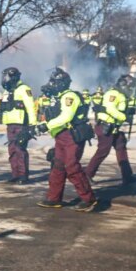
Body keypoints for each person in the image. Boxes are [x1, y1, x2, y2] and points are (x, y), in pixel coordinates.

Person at [35, 68, 97, 211]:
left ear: (62, 83)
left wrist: (45, 126)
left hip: (72, 136)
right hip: (61, 136)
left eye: (54, 82)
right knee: (58, 166)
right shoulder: (58, 97)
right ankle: (54, 198)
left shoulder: (70, 97)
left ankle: (89, 199)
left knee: (71, 166)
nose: (51, 84)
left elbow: (66, 117)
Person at [84, 74, 136, 184]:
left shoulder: (121, 95)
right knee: (103, 151)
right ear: (123, 85)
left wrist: (128, 111)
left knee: (121, 148)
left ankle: (127, 176)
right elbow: (110, 109)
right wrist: (124, 116)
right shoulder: (113, 94)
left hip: (114, 127)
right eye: (130, 87)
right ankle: (87, 175)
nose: (132, 89)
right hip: (105, 126)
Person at [0, 67, 38, 184]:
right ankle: (15, 174)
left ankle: (23, 175)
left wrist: (32, 124)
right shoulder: (7, 91)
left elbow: (30, 107)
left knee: (20, 149)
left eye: (6, 77)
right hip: (10, 124)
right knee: (12, 150)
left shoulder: (24, 89)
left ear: (13, 77)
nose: (4, 79)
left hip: (21, 124)